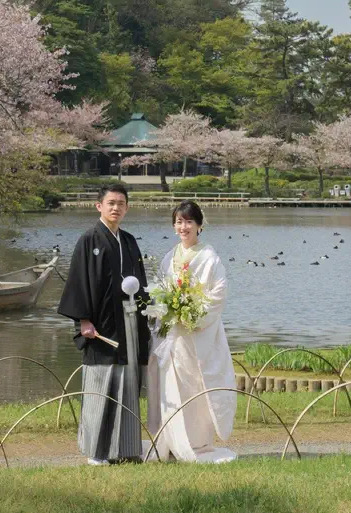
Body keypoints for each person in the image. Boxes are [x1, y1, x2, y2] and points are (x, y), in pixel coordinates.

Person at [57, 182, 150, 465]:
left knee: (128, 382)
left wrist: (147, 312)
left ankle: (127, 449)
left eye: (121, 203)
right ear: (99, 206)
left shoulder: (129, 241)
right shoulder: (89, 240)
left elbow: (141, 281)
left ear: (127, 208)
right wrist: (83, 320)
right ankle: (96, 452)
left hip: (129, 321)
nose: (116, 208)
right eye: (111, 203)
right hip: (101, 324)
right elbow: (78, 281)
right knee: (101, 384)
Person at [146, 200, 237, 463]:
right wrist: (168, 310)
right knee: (170, 386)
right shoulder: (169, 257)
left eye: (188, 221)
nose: (183, 227)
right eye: (179, 222)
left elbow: (218, 294)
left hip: (199, 333)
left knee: (196, 385)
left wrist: (194, 314)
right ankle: (171, 440)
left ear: (199, 225)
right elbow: (161, 290)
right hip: (173, 334)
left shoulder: (209, 258)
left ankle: (195, 442)